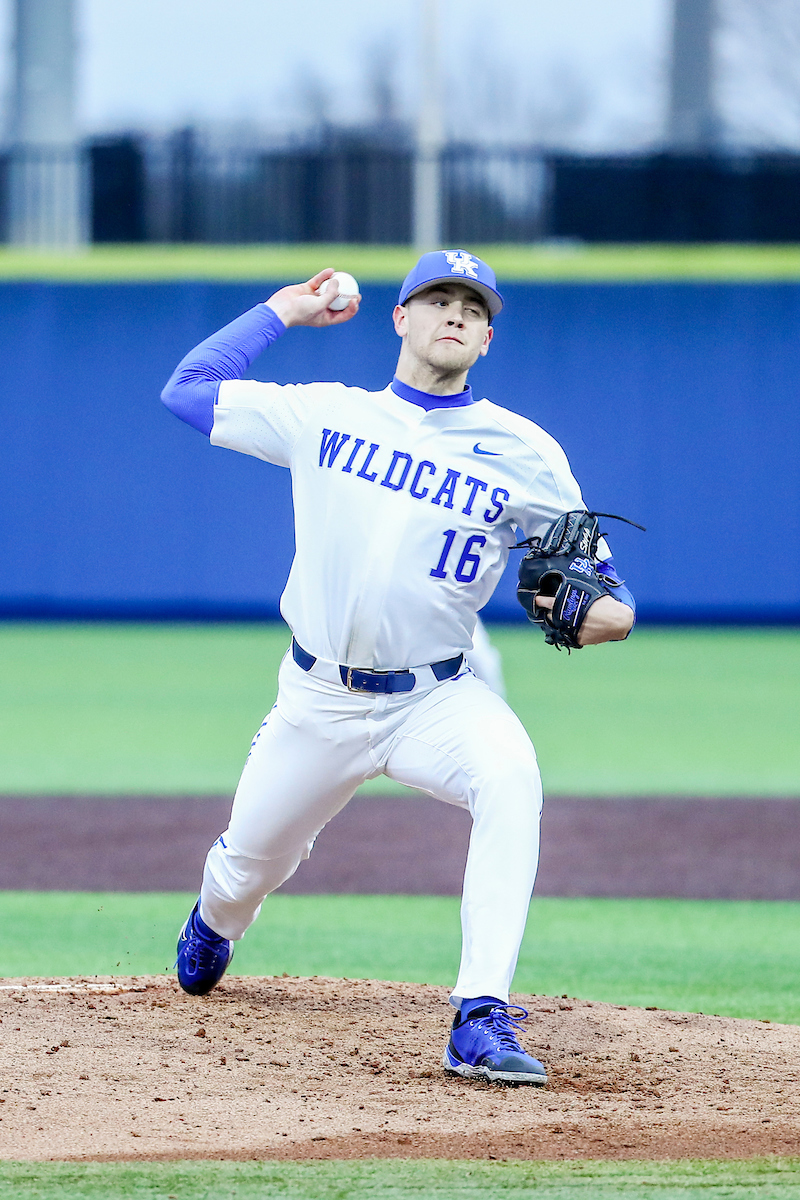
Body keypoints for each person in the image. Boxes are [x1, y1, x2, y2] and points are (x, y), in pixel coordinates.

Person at [161, 250, 635, 1086]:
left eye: (472, 307)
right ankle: (215, 919)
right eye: (437, 298)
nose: (454, 313)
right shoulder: (324, 416)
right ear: (401, 318)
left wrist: (611, 615)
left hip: (437, 700)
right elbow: (189, 388)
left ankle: (480, 1014)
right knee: (246, 872)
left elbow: (603, 584)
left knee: (512, 778)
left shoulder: (524, 450)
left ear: (486, 338)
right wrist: (282, 313)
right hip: (316, 702)